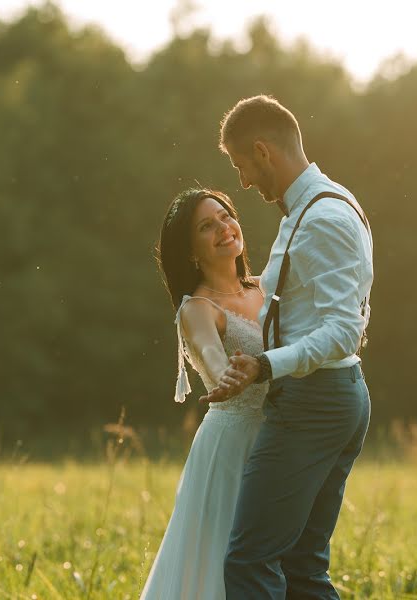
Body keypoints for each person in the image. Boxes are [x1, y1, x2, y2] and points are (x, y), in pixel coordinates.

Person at [205, 95, 374, 599]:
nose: (243, 183)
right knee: (301, 570)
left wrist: (263, 365)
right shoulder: (316, 205)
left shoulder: (323, 217)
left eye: (241, 166)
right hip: (328, 396)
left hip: (314, 401)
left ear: (263, 151)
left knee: (249, 561)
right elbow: (318, 303)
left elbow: (345, 328)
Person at [141, 188, 268, 600]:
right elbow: (213, 360)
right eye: (205, 226)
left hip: (281, 437)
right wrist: (226, 376)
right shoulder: (197, 308)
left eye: (225, 216)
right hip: (231, 447)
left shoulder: (269, 288)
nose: (223, 228)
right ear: (191, 251)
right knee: (223, 561)